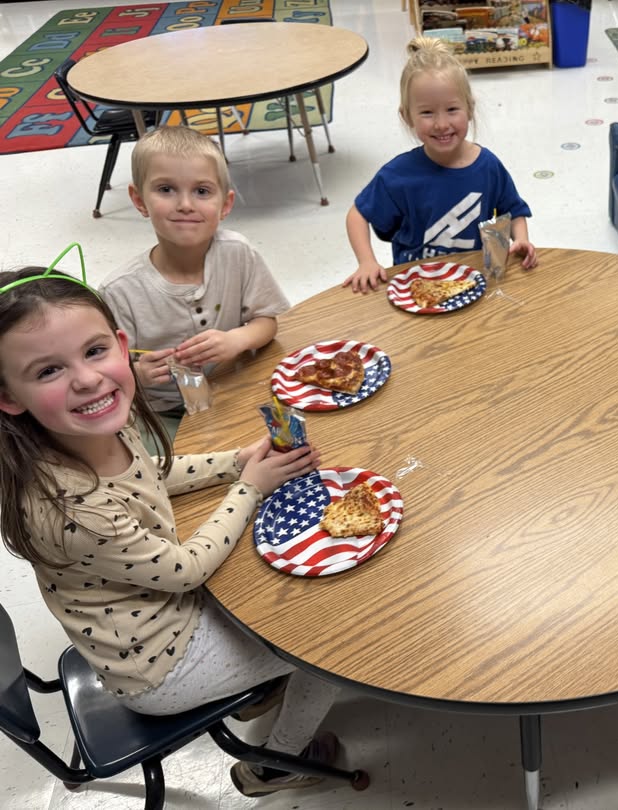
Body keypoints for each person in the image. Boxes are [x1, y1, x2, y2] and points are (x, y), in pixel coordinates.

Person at [0, 265, 349, 797]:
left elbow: (156, 472)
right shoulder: (70, 508)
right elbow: (186, 571)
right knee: (330, 648)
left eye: (95, 352)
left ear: (122, 346)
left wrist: (236, 462)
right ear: (9, 396)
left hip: (167, 614)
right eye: (48, 371)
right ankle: (276, 764)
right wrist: (250, 487)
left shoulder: (97, 427)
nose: (87, 378)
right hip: (160, 666)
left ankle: (255, 689)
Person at [100, 126, 290, 438]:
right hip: (162, 414)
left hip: (238, 386)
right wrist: (137, 375)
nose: (185, 204)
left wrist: (237, 340)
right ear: (139, 199)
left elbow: (267, 322)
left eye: (202, 191)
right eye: (166, 189)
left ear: (225, 204)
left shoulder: (238, 253)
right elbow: (105, 371)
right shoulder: (120, 291)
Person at [342, 36, 537, 293]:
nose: (441, 123)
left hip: (473, 284)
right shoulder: (398, 174)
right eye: (427, 112)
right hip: (415, 287)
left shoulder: (488, 165)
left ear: (469, 108)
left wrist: (521, 239)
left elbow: (512, 210)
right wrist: (367, 262)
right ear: (407, 116)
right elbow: (357, 215)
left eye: (452, 109)